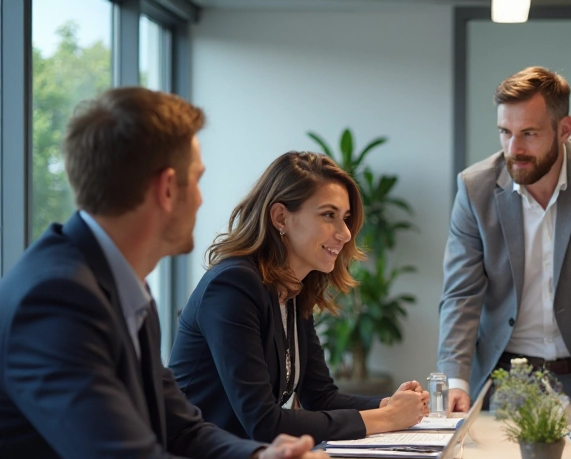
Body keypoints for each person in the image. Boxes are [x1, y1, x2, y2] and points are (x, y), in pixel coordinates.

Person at [0, 87, 329, 459]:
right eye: (197, 181)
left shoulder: (117, 282)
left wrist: (262, 456)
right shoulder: (57, 298)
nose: (201, 197)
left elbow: (182, 427)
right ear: (167, 188)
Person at [170, 151, 428, 444]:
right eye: (329, 215)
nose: (345, 233)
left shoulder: (292, 289)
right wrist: (386, 419)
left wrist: (389, 406)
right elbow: (264, 422)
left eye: (345, 218)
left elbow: (320, 396)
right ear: (281, 217)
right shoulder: (232, 285)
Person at [438, 66, 571, 411]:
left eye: (529, 134)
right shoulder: (474, 187)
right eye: (505, 132)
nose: (514, 148)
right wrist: (455, 382)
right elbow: (461, 293)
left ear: (564, 129)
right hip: (504, 375)